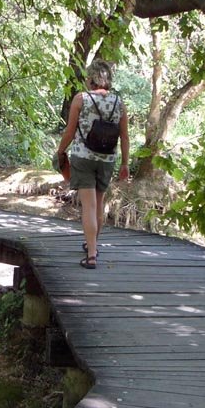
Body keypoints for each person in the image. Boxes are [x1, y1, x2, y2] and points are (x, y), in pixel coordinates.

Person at [54, 59, 130, 269]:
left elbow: (70, 131)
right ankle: (92, 246)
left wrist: (60, 152)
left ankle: (92, 255)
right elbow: (124, 137)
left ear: (91, 78)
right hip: (107, 160)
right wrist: (125, 163)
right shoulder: (119, 103)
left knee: (88, 205)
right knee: (98, 203)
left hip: (83, 158)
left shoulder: (81, 99)